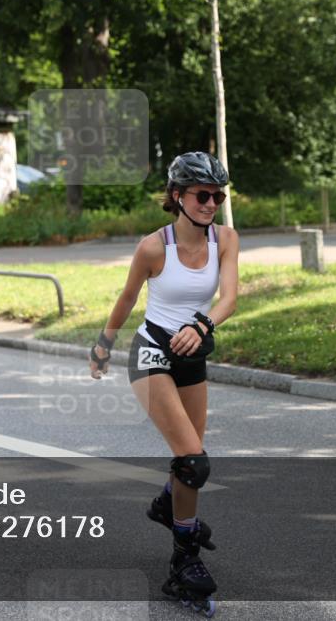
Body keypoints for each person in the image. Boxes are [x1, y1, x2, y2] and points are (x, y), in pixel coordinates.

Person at [88, 152, 238, 612]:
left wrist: (203, 324)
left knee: (187, 462)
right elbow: (129, 296)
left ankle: (167, 505)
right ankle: (183, 566)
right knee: (193, 464)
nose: (212, 203)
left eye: (218, 195)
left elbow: (230, 297)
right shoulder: (154, 247)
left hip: (193, 356)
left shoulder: (226, 239)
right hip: (152, 353)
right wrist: (103, 344)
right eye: (203, 195)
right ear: (178, 196)